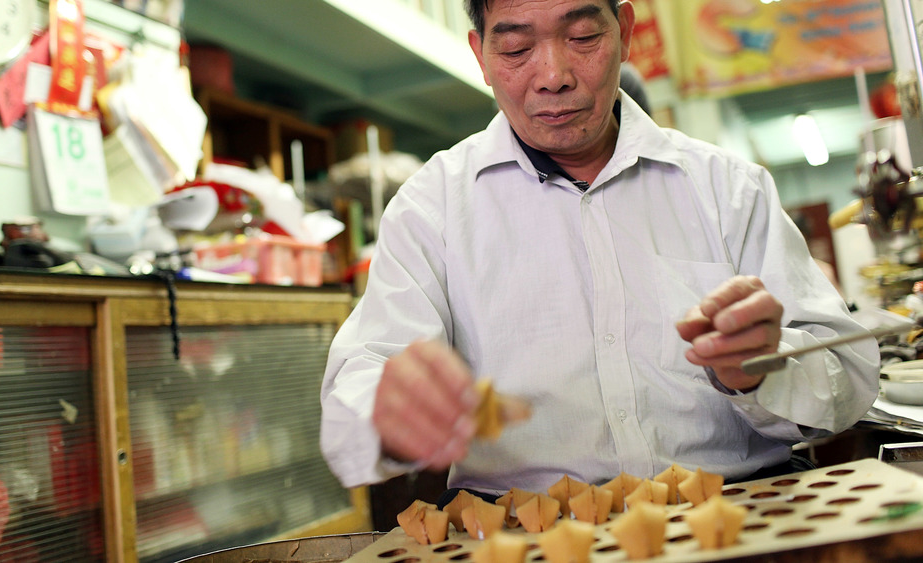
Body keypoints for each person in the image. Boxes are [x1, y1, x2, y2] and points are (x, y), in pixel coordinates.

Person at [319, 0, 879, 499]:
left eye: (583, 37)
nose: (554, 76)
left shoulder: (729, 189)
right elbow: (358, 382)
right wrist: (389, 408)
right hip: (529, 531)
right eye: (516, 48)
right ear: (481, 56)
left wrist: (761, 369)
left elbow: (849, 379)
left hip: (736, 511)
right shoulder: (432, 208)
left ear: (626, 30)